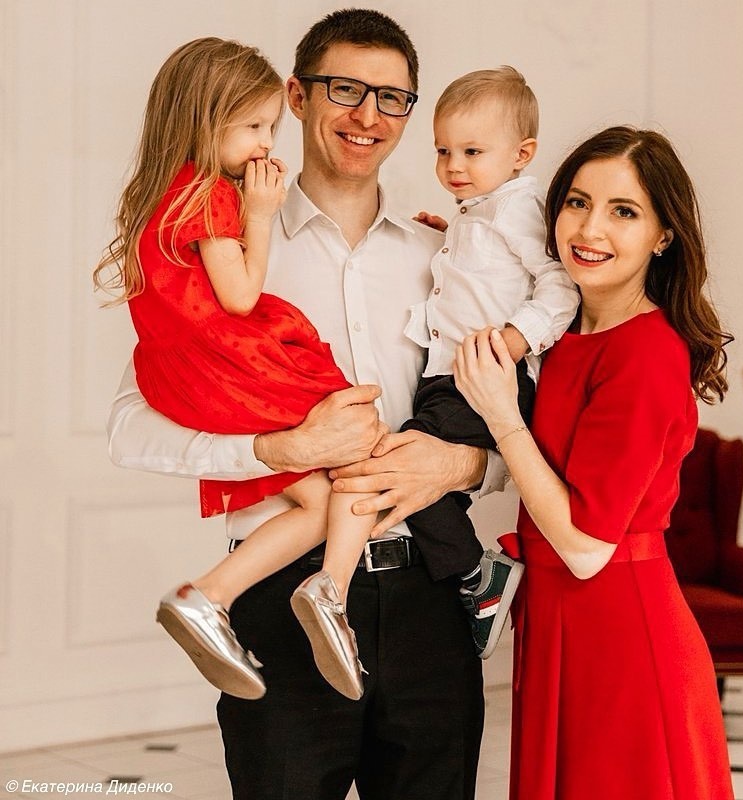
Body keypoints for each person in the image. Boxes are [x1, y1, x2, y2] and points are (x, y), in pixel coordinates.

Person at [106, 9, 490, 800]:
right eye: (345, 89)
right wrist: (277, 452)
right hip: (280, 599)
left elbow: (512, 421)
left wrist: (465, 466)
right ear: (296, 96)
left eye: (392, 98)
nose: (369, 115)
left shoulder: (448, 256)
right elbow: (131, 427)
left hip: (429, 602)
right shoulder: (218, 242)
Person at [93, 36, 391, 703]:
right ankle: (332, 591)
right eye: (254, 127)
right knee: (360, 432)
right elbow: (240, 296)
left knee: (318, 501)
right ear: (206, 122)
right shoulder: (212, 197)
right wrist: (259, 213)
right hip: (227, 362)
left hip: (180, 374)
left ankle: (207, 597)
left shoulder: (161, 196)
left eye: (269, 128)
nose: (264, 145)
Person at [453, 125, 735, 799]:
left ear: (663, 236)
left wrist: (503, 418)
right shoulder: (563, 332)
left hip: (622, 639)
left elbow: (585, 549)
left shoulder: (646, 354)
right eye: (577, 202)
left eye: (624, 211)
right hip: (563, 625)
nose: (589, 229)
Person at [400, 67, 579, 658]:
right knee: (421, 479)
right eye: (443, 150)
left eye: (472, 151)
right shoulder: (476, 211)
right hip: (451, 375)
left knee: (404, 464)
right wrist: (446, 242)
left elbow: (560, 284)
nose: (453, 165)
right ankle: (471, 584)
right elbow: (484, 275)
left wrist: (517, 339)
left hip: (486, 377)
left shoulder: (517, 207)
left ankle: (477, 576)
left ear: (521, 154)